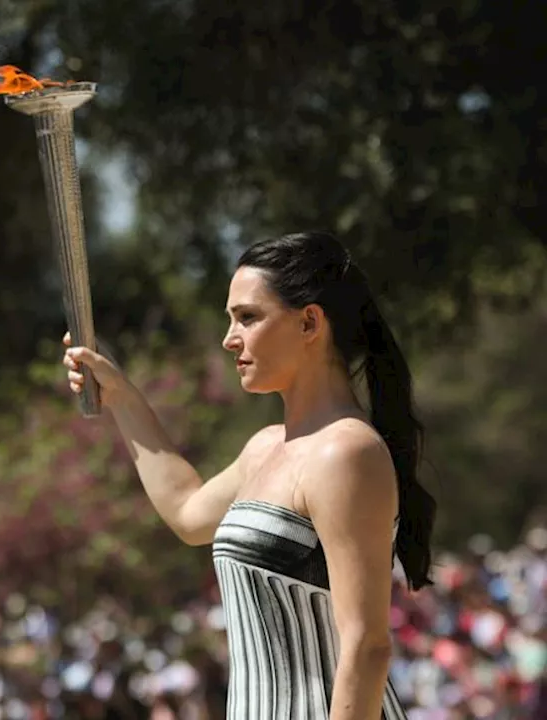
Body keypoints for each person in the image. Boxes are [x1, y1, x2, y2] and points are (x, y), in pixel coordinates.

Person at [62, 232, 436, 719]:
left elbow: (367, 646)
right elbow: (187, 511)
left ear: (309, 322)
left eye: (248, 317)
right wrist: (120, 395)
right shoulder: (265, 448)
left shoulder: (344, 452)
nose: (228, 338)